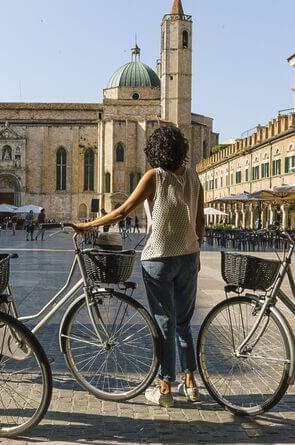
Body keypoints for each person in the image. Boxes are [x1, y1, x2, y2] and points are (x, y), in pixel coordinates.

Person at [74, 125, 204, 408]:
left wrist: (87, 225)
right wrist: (196, 252)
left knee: (164, 323)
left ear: (154, 150)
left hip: (158, 258)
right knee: (183, 323)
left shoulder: (154, 177)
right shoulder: (194, 176)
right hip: (188, 257)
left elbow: (122, 211)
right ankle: (191, 382)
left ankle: (165, 386)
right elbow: (200, 221)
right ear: (181, 148)